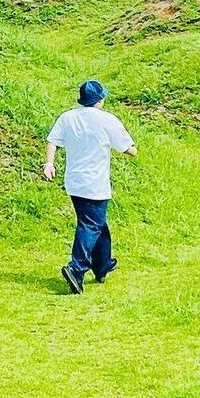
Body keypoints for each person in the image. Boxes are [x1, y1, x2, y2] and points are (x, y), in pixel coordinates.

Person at [44, 79, 137, 294]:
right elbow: (129, 149)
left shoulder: (67, 117)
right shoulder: (106, 120)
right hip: (95, 184)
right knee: (91, 225)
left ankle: (103, 265)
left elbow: (52, 140)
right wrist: (132, 149)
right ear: (100, 99)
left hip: (74, 182)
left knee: (97, 222)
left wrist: (49, 163)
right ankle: (76, 268)